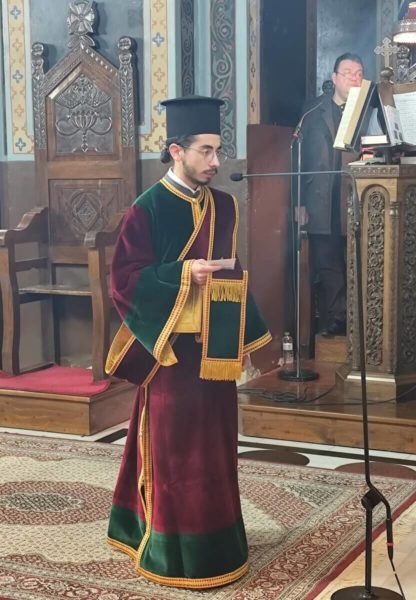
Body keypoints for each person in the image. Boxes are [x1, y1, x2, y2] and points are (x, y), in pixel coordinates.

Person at [105, 95, 271, 589]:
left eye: (219, 150)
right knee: (176, 455)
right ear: (176, 151)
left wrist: (245, 342)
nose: (216, 161)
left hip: (215, 352)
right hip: (171, 354)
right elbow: (124, 280)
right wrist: (183, 274)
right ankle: (172, 554)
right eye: (206, 151)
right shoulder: (146, 209)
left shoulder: (226, 206)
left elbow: (233, 274)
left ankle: (219, 546)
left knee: (216, 448)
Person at [300, 53, 363, 336]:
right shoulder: (313, 110)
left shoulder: (369, 109)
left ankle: (361, 321)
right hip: (321, 199)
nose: (354, 78)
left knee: (357, 260)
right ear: (334, 78)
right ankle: (338, 320)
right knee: (327, 262)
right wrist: (299, 202)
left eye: (359, 73)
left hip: (356, 195)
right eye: (348, 72)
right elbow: (299, 159)